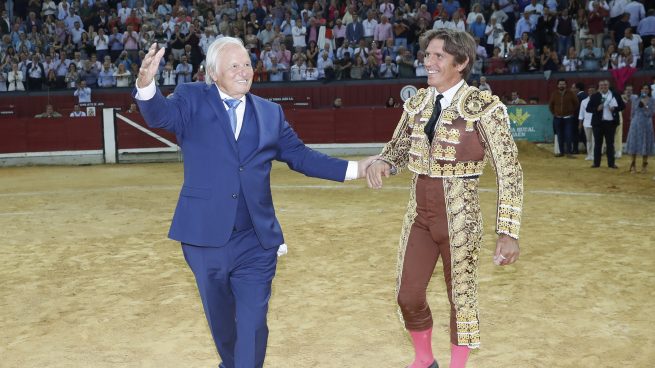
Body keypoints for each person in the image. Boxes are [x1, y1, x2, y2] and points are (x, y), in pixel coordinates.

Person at [133, 38, 377, 368]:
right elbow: (160, 115)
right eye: (234, 65)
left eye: (247, 64)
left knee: (252, 325)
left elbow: (301, 157)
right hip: (204, 238)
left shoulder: (270, 113)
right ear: (213, 73)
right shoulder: (192, 98)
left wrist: (356, 169)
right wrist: (146, 85)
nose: (243, 71)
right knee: (222, 326)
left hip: (256, 241)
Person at [366, 29, 523, 368]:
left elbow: (509, 170)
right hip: (420, 213)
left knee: (461, 298)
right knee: (407, 295)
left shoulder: (484, 108)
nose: (428, 61)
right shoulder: (418, 102)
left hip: (461, 215)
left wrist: (508, 232)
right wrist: (383, 161)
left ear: (461, 62)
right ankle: (424, 359)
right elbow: (398, 147)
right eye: (428, 55)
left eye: (438, 56)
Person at [586, 80, 624, 168]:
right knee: (598, 144)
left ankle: (611, 164)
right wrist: (596, 109)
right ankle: (596, 163)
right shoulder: (595, 96)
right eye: (602, 85)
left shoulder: (615, 95)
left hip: (610, 123)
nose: (604, 87)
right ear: (599, 87)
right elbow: (588, 109)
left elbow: (622, 106)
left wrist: (615, 108)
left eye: (605, 85)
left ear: (608, 85)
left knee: (610, 144)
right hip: (598, 124)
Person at [624, 84, 655, 173]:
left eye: (646, 89)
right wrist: (632, 122)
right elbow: (632, 112)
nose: (644, 90)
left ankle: (644, 165)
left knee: (645, 142)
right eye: (643, 88)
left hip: (646, 124)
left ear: (649, 91)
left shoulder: (652, 100)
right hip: (636, 124)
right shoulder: (635, 98)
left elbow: (651, 113)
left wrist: (645, 106)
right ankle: (633, 164)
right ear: (640, 90)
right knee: (634, 143)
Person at [548, 78, 579, 157]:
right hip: (557, 118)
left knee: (568, 135)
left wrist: (571, 112)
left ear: (566, 85)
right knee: (560, 135)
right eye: (560, 84)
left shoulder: (571, 93)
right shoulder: (554, 94)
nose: (562, 85)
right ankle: (561, 152)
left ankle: (569, 152)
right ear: (557, 85)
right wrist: (554, 113)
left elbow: (576, 104)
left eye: (563, 84)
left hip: (568, 118)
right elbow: (551, 105)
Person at [578, 86, 597, 161]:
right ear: (588, 92)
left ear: (595, 92)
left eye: (593, 90)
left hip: (596, 123)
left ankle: (594, 155)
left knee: (595, 140)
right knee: (588, 140)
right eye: (590, 91)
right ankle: (589, 154)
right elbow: (581, 114)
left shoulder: (598, 100)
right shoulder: (584, 101)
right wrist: (580, 124)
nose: (591, 92)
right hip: (586, 123)